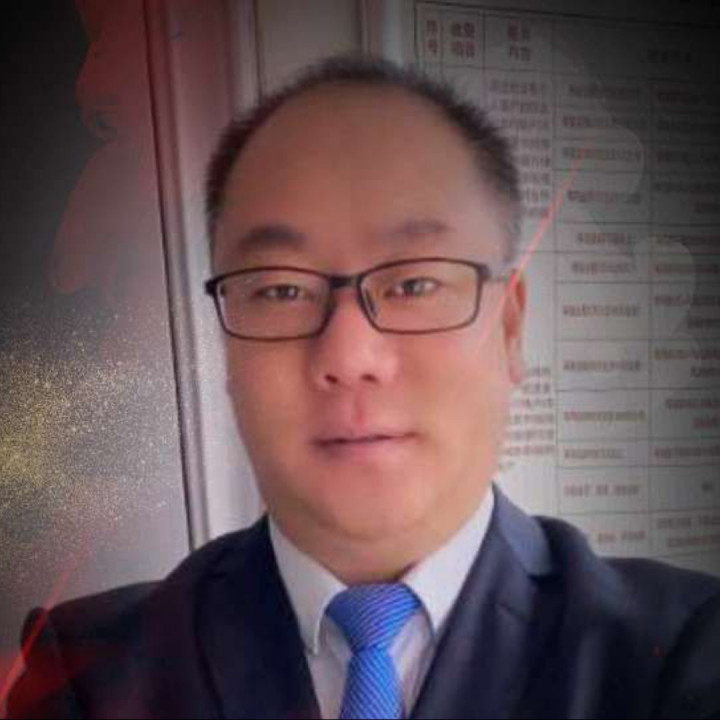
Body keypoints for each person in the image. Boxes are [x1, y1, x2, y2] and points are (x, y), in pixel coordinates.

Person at [8, 54, 720, 720]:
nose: (349, 356)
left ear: (509, 329)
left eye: (414, 284)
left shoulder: (685, 652)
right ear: (226, 349)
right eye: (281, 290)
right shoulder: (88, 675)